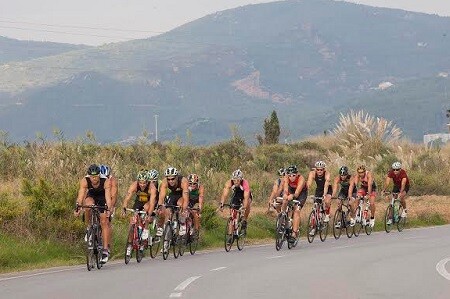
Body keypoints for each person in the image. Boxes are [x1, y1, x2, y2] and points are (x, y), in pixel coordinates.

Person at [74, 164, 112, 263]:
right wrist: (77, 206)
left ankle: (105, 250)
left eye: (96, 176)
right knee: (88, 205)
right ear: (89, 176)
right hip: (91, 195)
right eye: (92, 176)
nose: (94, 179)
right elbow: (81, 195)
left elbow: (108, 198)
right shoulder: (85, 181)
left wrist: (108, 209)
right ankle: (89, 228)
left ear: (99, 175)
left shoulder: (106, 181)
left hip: (102, 197)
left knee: (104, 221)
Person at [121, 169, 158, 255]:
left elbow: (152, 202)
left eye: (144, 183)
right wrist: (124, 207)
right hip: (139, 202)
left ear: (147, 182)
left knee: (146, 209)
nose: (142, 185)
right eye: (140, 182)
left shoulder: (152, 187)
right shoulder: (134, 185)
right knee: (132, 221)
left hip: (149, 202)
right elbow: (127, 197)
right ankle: (130, 244)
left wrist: (149, 214)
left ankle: (145, 229)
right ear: (138, 181)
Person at [157, 167, 189, 236]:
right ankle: (169, 229)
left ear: (177, 177)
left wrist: (184, 210)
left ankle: (182, 224)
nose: (170, 181)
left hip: (182, 194)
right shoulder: (164, 182)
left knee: (180, 204)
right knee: (168, 210)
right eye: (168, 179)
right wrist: (160, 206)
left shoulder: (184, 181)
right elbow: (161, 196)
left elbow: (186, 199)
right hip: (173, 194)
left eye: (173, 179)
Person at [282, 165, 307, 240]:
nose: (291, 177)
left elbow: (297, 193)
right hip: (291, 190)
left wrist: (292, 196)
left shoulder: (301, 179)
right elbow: (286, 188)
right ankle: (283, 217)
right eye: (290, 175)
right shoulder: (286, 177)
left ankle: (294, 233)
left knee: (297, 211)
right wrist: (285, 195)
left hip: (301, 193)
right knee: (285, 200)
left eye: (293, 175)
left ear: (297, 174)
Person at [99, 164, 118, 252]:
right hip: (100, 197)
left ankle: (107, 245)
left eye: (106, 177)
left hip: (109, 199)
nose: (105, 179)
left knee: (107, 222)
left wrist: (110, 209)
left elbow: (113, 196)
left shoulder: (112, 181)